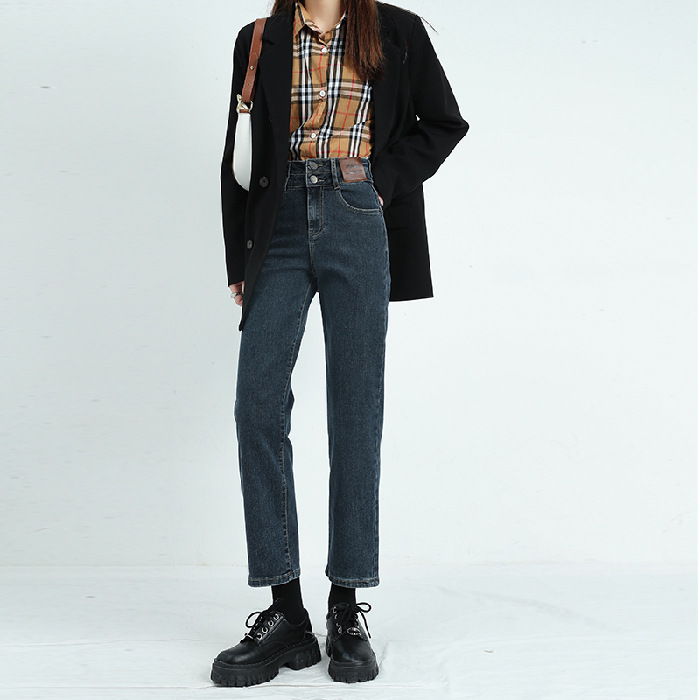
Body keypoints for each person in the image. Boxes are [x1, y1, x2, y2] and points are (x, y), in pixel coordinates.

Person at [210, 0, 469, 687]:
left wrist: (381, 181)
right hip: (277, 224)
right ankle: (285, 612)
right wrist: (239, 258)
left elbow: (444, 123)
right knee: (257, 406)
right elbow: (238, 150)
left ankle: (346, 605)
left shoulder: (395, 30)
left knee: (355, 411)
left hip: (357, 213)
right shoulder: (258, 38)